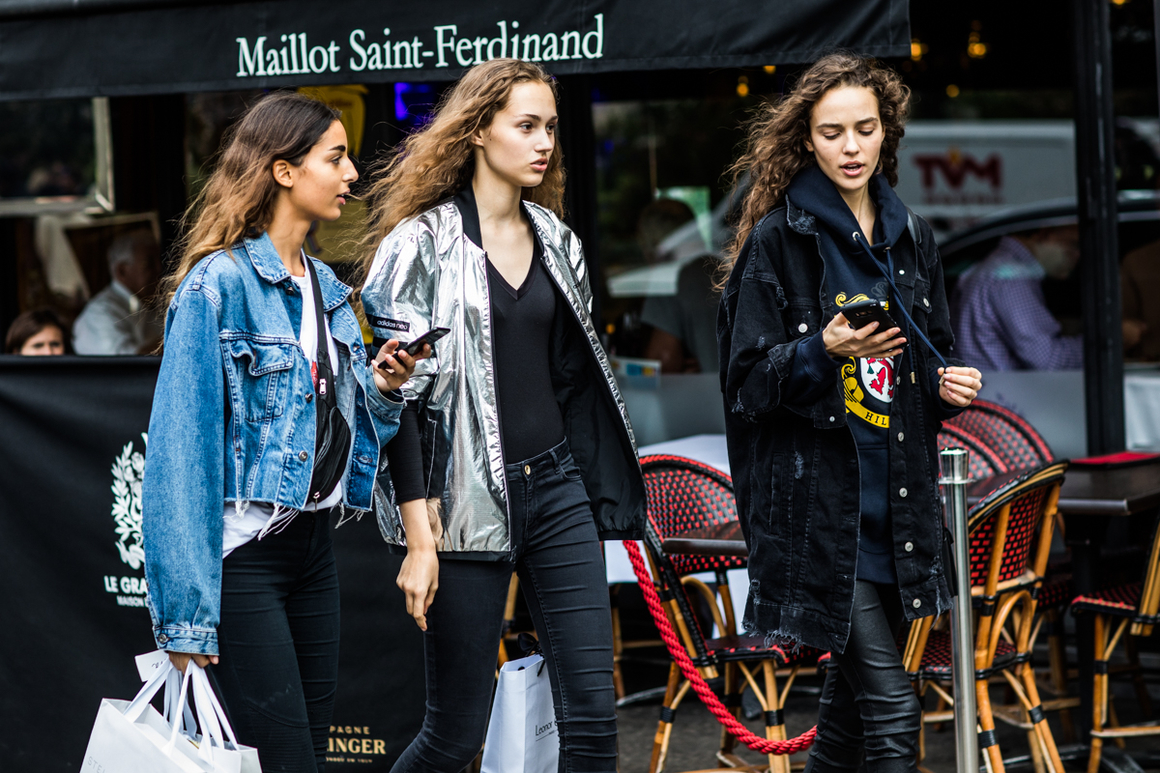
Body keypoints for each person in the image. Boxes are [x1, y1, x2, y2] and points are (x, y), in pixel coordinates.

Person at [359, 58, 645, 773]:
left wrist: (595, 483)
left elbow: (576, 384)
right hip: (457, 504)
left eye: (550, 126)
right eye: (526, 125)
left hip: (557, 489)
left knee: (592, 718)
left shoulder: (559, 241)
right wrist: (420, 538)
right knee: (454, 734)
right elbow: (398, 408)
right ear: (480, 129)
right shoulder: (417, 246)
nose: (545, 141)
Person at [718, 52, 982, 772]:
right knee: (894, 710)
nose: (851, 147)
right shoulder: (780, 238)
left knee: (843, 726)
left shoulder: (911, 236)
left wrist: (947, 384)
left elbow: (925, 365)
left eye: (864, 128)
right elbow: (745, 387)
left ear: (886, 131)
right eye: (832, 132)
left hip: (899, 509)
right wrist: (821, 349)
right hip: (820, 517)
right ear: (808, 138)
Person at [141, 92, 421, 773]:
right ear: (284, 170)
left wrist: (382, 391)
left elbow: (342, 432)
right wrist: (185, 618)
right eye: (336, 157)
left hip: (311, 550)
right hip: (244, 561)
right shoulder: (216, 288)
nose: (352, 173)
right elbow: (181, 459)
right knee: (288, 758)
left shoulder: (325, 285)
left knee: (306, 753)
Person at [950, 226, 1086, 370]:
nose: (1077, 255)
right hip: (1000, 389)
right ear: (1044, 234)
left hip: (986, 385)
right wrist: (1101, 345)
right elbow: (1048, 359)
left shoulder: (996, 266)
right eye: (1072, 244)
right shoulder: (1011, 275)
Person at [638, 198, 723, 373]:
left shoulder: (669, 279)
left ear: (651, 242)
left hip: (703, 397)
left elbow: (662, 362)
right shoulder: (724, 267)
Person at [73, 229, 163, 354]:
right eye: (149, 264)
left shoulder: (148, 305)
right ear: (122, 271)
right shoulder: (100, 312)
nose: (159, 270)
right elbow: (129, 362)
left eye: (159, 262)